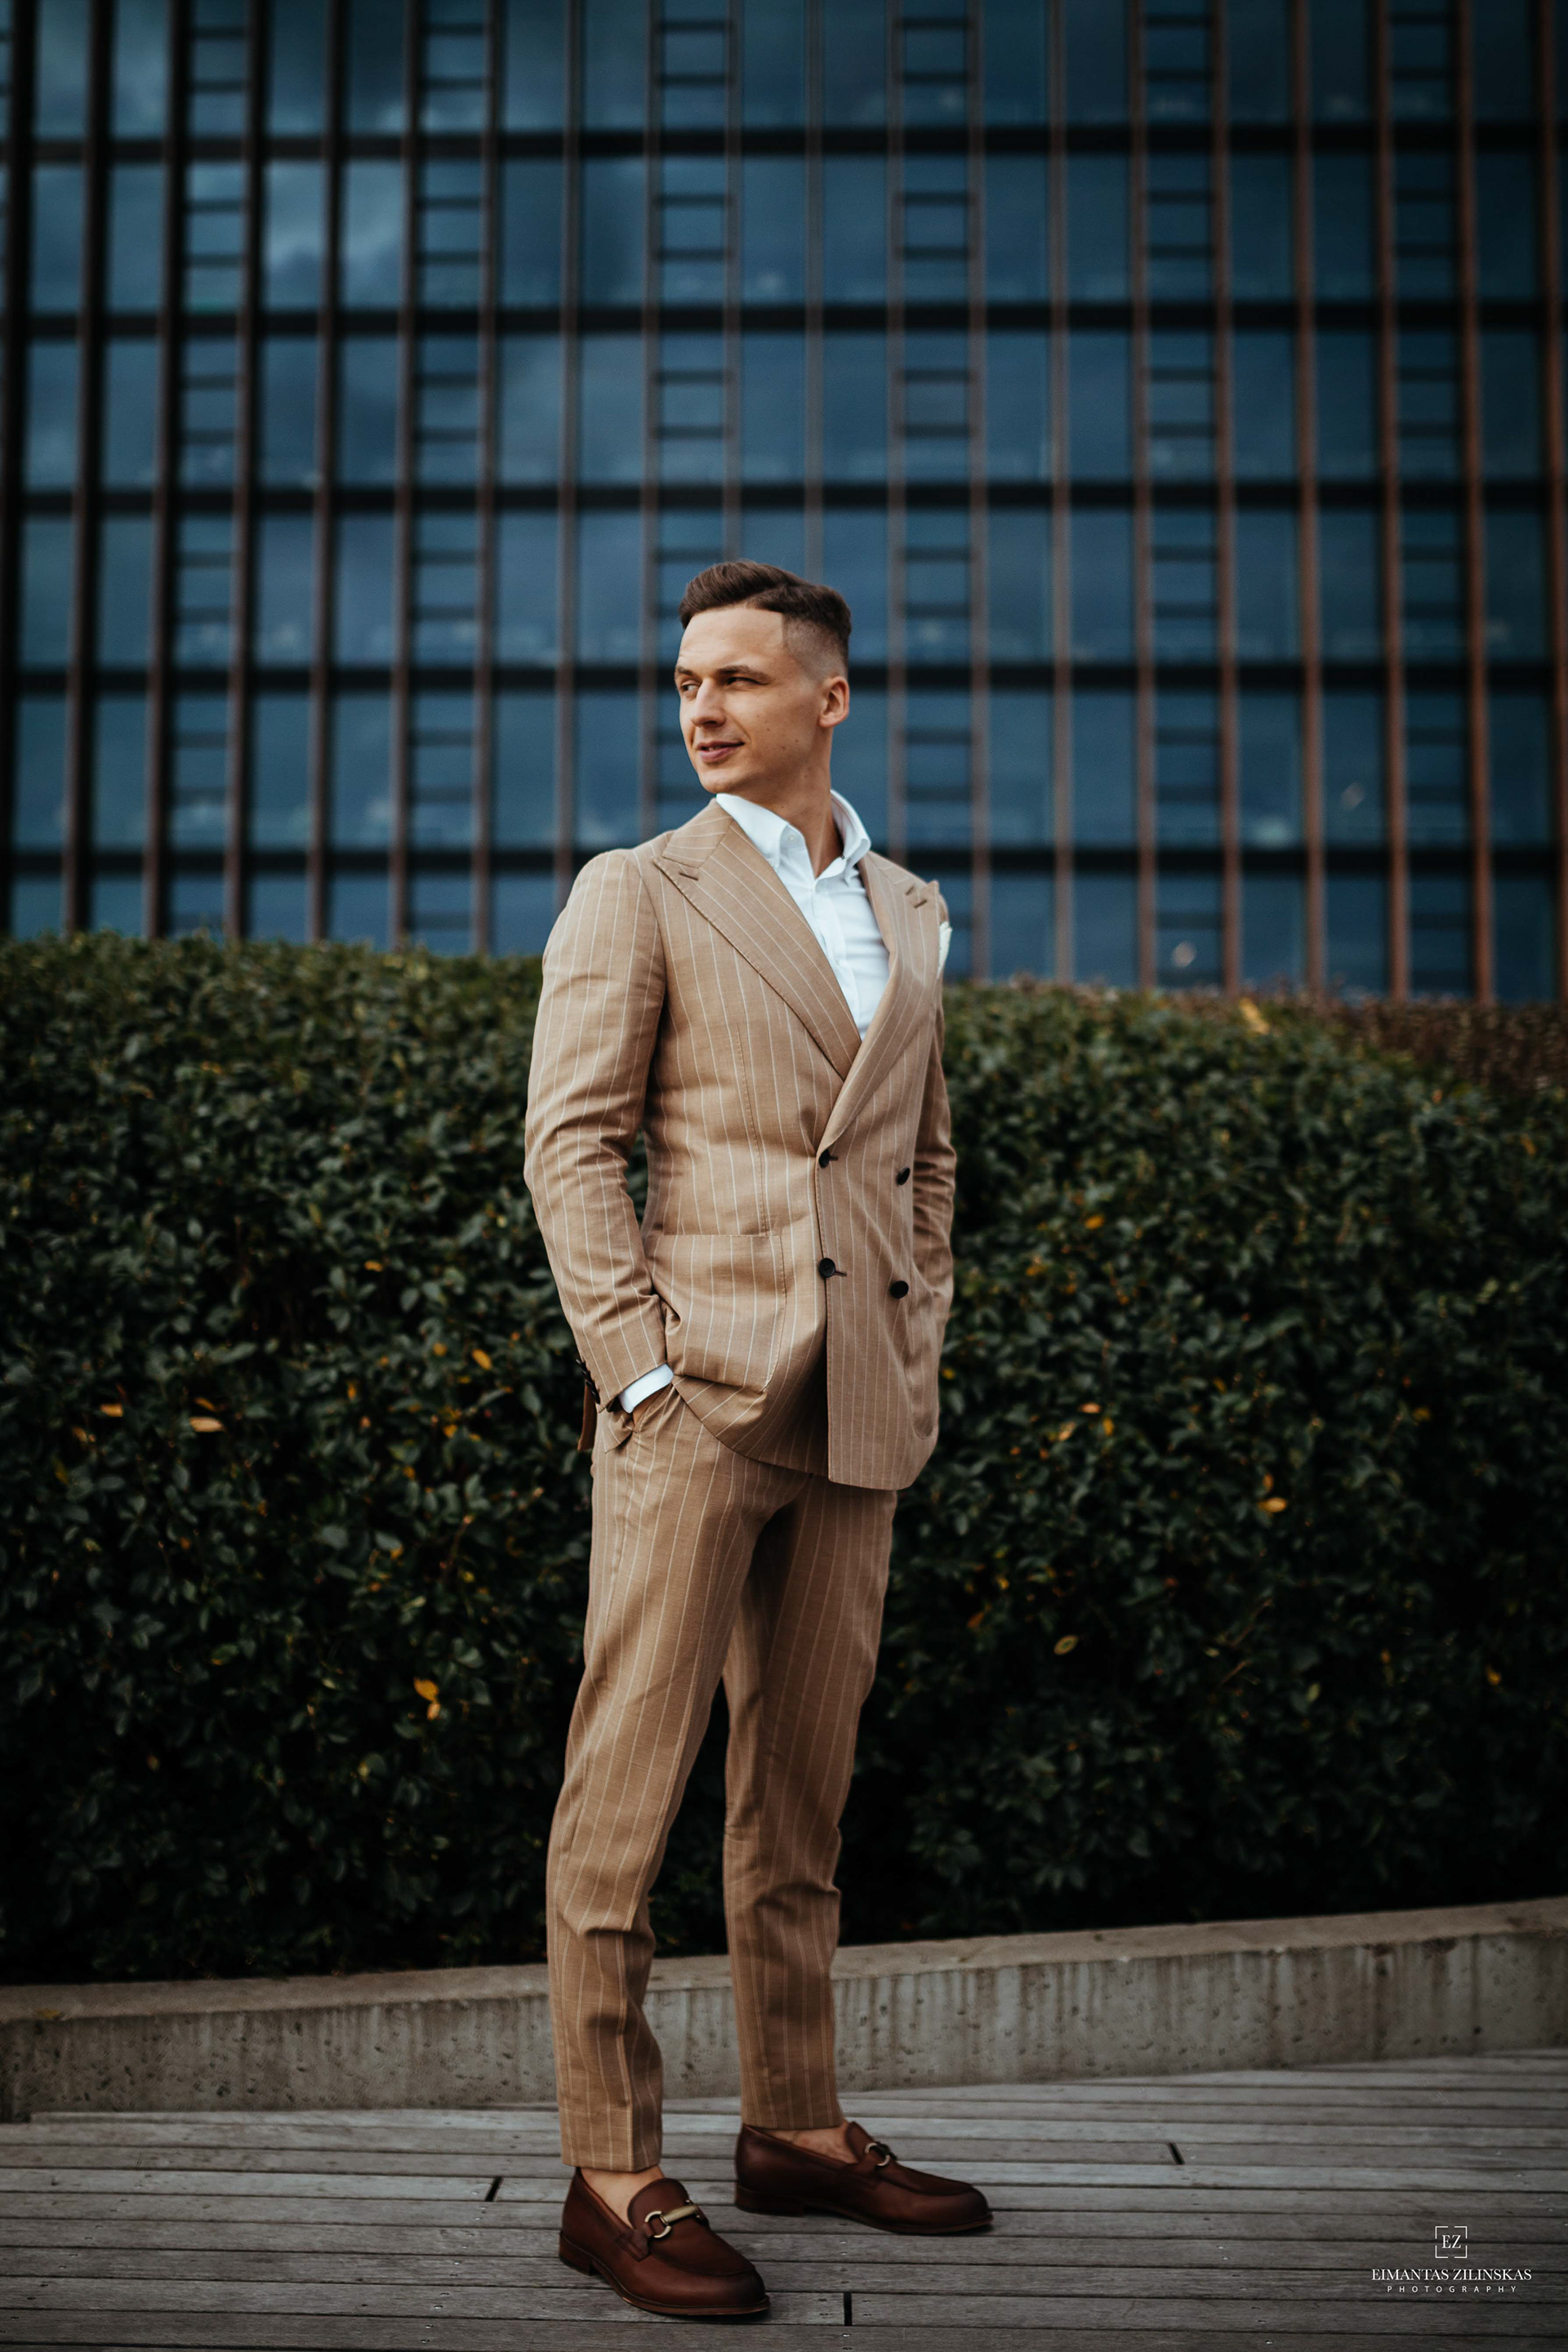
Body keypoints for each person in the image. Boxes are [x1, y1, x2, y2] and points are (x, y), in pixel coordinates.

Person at [523, 560, 989, 2321]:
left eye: (735, 678)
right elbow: (572, 1146)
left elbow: (922, 1157)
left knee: (800, 1805)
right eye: (684, 681)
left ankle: (793, 2126)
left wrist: (915, 1343)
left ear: (828, 698)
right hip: (695, 1406)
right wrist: (636, 1374)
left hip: (859, 1411)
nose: (701, 708)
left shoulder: (910, 908)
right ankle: (611, 2174)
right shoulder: (638, 890)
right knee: (623, 1806)